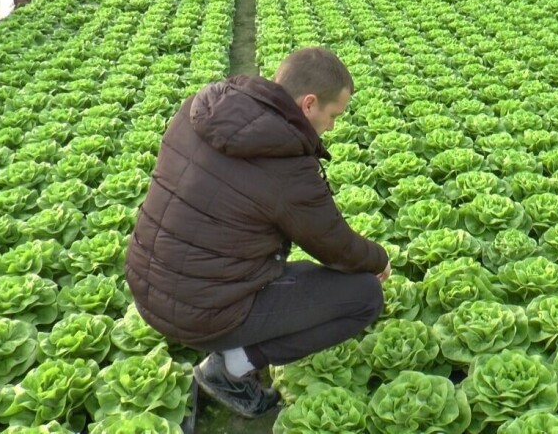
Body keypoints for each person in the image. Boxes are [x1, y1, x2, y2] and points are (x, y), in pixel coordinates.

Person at [123, 47, 391, 419]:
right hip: (200, 312)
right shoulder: (286, 166)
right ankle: (230, 368)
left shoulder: (197, 108)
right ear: (309, 104)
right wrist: (380, 259)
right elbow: (336, 247)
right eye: (333, 116)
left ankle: (226, 345)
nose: (331, 127)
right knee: (363, 295)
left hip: (147, 286)